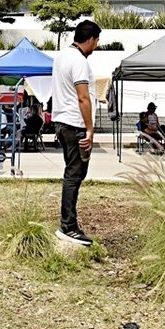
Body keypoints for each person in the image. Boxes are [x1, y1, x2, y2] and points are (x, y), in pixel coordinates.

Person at [52, 19, 101, 247]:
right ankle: (69, 227)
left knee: (71, 172)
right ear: (90, 39)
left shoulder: (61, 57)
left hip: (62, 121)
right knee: (75, 174)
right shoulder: (79, 61)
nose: (97, 46)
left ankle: (68, 224)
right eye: (97, 41)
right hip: (75, 124)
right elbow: (83, 97)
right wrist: (90, 129)